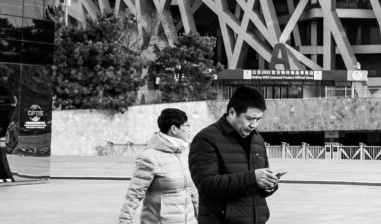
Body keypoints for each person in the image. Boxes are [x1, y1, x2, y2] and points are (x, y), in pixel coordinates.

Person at [190, 86, 278, 224]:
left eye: (258, 119)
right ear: (232, 112)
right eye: (250, 118)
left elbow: (258, 187)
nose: (254, 125)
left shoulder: (257, 139)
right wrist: (253, 177)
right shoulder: (206, 139)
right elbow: (206, 185)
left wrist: (269, 185)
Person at [118, 108, 199, 224]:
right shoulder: (149, 157)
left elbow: (193, 191)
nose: (190, 130)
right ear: (174, 129)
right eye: (187, 126)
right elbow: (134, 195)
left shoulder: (185, 153)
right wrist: (124, 221)